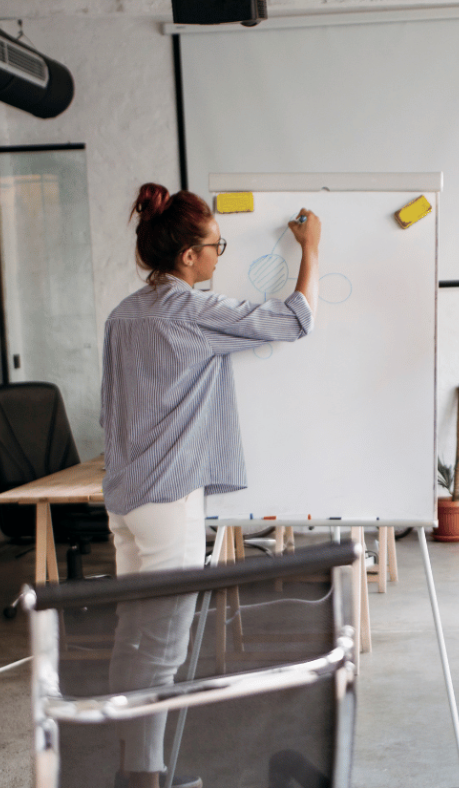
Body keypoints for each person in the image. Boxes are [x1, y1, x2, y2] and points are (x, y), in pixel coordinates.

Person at [101, 183, 320, 788]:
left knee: (133, 639)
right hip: (169, 500)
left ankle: (135, 770)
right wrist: (312, 250)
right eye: (216, 246)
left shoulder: (123, 315)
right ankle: (144, 776)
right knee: (164, 649)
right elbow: (294, 320)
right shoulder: (193, 311)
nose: (221, 255)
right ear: (189, 257)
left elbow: (110, 410)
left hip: (125, 499)